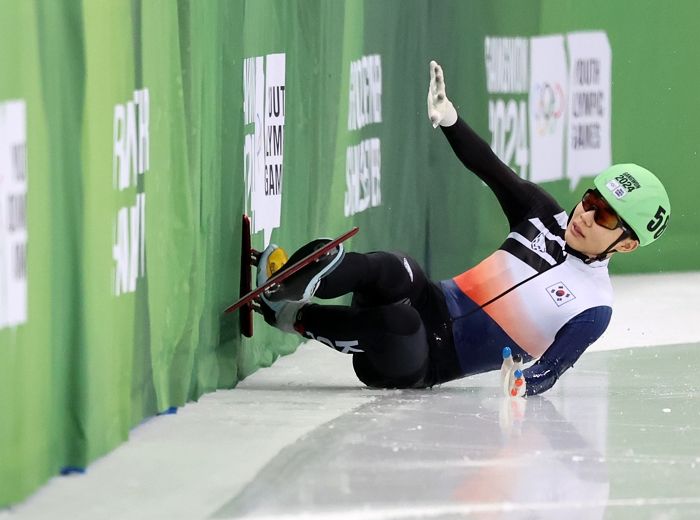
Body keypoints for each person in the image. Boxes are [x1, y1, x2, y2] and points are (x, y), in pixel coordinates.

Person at [254, 60, 671, 396]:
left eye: (605, 217)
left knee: (403, 327)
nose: (584, 215)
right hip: (430, 299)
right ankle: (299, 277)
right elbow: (489, 167)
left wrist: (521, 382)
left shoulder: (594, 307)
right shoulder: (543, 214)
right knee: (400, 269)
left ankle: (291, 316)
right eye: (591, 199)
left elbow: (549, 371)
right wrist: (450, 118)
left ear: (628, 244)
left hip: (422, 361)